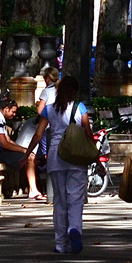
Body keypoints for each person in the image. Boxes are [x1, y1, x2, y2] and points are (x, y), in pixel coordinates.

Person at [30, 75, 91, 253]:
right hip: (77, 157)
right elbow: (88, 133)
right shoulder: (80, 108)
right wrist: (96, 158)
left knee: (59, 201)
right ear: (75, 92)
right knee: (75, 199)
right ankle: (74, 229)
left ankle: (61, 244)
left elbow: (38, 135)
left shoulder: (49, 110)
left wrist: (27, 153)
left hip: (56, 157)